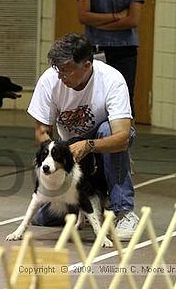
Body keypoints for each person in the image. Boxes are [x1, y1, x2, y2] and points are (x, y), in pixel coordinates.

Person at [27, 33, 139, 240]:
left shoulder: (112, 80)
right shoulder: (49, 81)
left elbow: (123, 136)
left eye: (66, 70)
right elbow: (42, 132)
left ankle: (124, 211)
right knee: (44, 218)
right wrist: (56, 159)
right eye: (57, 70)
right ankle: (90, 200)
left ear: (87, 66)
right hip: (68, 149)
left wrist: (88, 146)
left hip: (103, 142)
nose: (61, 76)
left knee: (108, 130)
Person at [76, 0, 144, 115]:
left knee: (124, 96)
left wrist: (97, 22)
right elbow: (83, 16)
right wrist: (115, 16)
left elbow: (133, 20)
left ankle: (123, 140)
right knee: (92, 96)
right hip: (95, 49)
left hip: (125, 50)